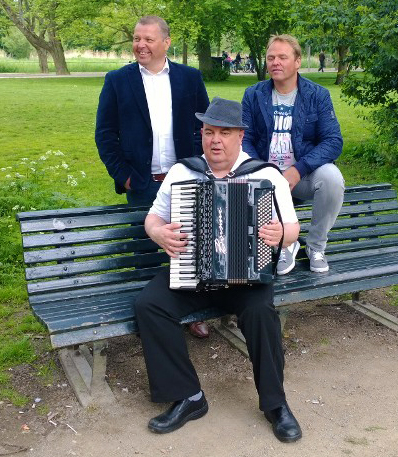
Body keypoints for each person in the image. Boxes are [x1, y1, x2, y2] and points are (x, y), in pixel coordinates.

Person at [134, 97, 302, 443]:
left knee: (260, 312)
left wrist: (280, 234)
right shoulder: (184, 171)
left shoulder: (266, 174)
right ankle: (188, 397)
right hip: (192, 271)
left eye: (224, 133)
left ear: (240, 136)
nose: (215, 140)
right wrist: (156, 231)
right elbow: (153, 216)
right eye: (209, 132)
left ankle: (275, 404)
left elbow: (293, 228)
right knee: (150, 305)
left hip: (247, 274)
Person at [95, 15, 211, 339]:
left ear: (166, 43)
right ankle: (152, 318)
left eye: (147, 39)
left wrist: (203, 167)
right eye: (136, 38)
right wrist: (127, 177)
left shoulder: (189, 78)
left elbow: (207, 126)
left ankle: (194, 312)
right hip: (142, 182)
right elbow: (105, 135)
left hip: (185, 179)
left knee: (190, 247)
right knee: (145, 251)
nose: (140, 45)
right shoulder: (117, 80)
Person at [242, 34, 344, 276]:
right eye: (271, 57)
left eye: (282, 57)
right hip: (264, 178)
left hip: (301, 177)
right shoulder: (253, 95)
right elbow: (244, 138)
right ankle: (286, 243)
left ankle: (316, 246)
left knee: (331, 178)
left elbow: (333, 141)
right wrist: (262, 170)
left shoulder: (316, 95)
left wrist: (298, 169)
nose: (275, 62)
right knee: (254, 182)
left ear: (297, 61)